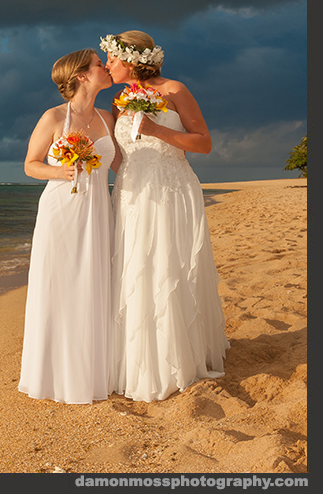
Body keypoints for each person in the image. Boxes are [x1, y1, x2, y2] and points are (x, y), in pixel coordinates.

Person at [102, 30, 230, 402]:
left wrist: (156, 129)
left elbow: (203, 142)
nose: (107, 65)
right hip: (131, 191)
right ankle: (139, 359)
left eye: (111, 58)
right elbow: (122, 155)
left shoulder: (175, 91)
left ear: (131, 60)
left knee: (169, 267)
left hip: (172, 188)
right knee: (135, 267)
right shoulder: (118, 99)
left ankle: (180, 360)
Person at [18, 49, 119, 404]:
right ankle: (54, 376)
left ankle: (92, 371)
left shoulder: (108, 117)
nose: (105, 67)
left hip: (97, 212)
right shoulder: (54, 117)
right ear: (81, 75)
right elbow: (30, 165)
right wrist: (59, 171)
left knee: (93, 285)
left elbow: (123, 165)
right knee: (58, 286)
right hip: (61, 211)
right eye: (98, 64)